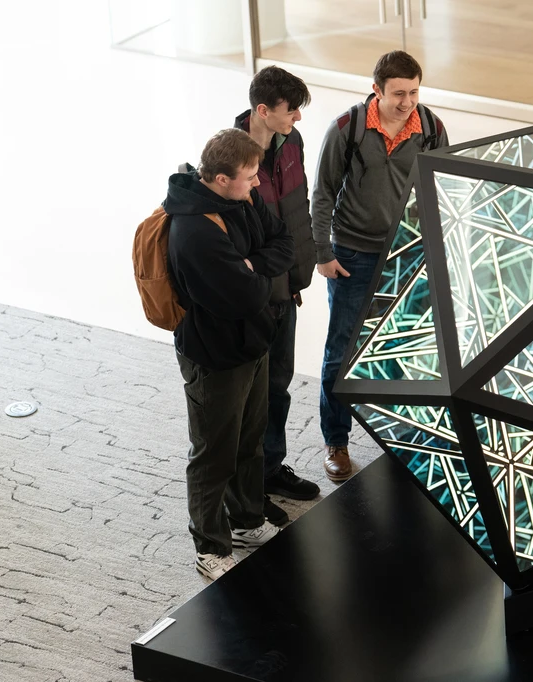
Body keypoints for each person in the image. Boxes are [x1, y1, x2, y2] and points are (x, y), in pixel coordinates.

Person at [311, 50, 448, 483]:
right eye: (398, 94)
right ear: (376, 90)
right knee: (342, 354)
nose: (407, 102)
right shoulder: (346, 129)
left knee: (403, 351)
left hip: (407, 256)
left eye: (413, 92)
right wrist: (322, 252)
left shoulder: (431, 129)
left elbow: (442, 189)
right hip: (351, 254)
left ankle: (402, 440)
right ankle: (337, 441)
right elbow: (323, 193)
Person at [165, 129, 294, 579]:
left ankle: (245, 521)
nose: (258, 184)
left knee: (249, 440)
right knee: (213, 453)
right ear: (221, 178)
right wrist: (259, 275)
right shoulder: (194, 230)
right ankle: (210, 545)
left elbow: (283, 240)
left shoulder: (241, 200)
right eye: (250, 177)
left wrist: (252, 265)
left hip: (253, 345)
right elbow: (243, 299)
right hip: (215, 357)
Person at [234, 66, 320, 526]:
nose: (299, 119)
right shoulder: (229, 157)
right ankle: (248, 489)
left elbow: (297, 208)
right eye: (292, 111)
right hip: (252, 296)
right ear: (263, 111)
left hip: (286, 288)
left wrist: (300, 273)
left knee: (278, 386)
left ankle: (270, 470)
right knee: (250, 399)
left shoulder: (292, 144)